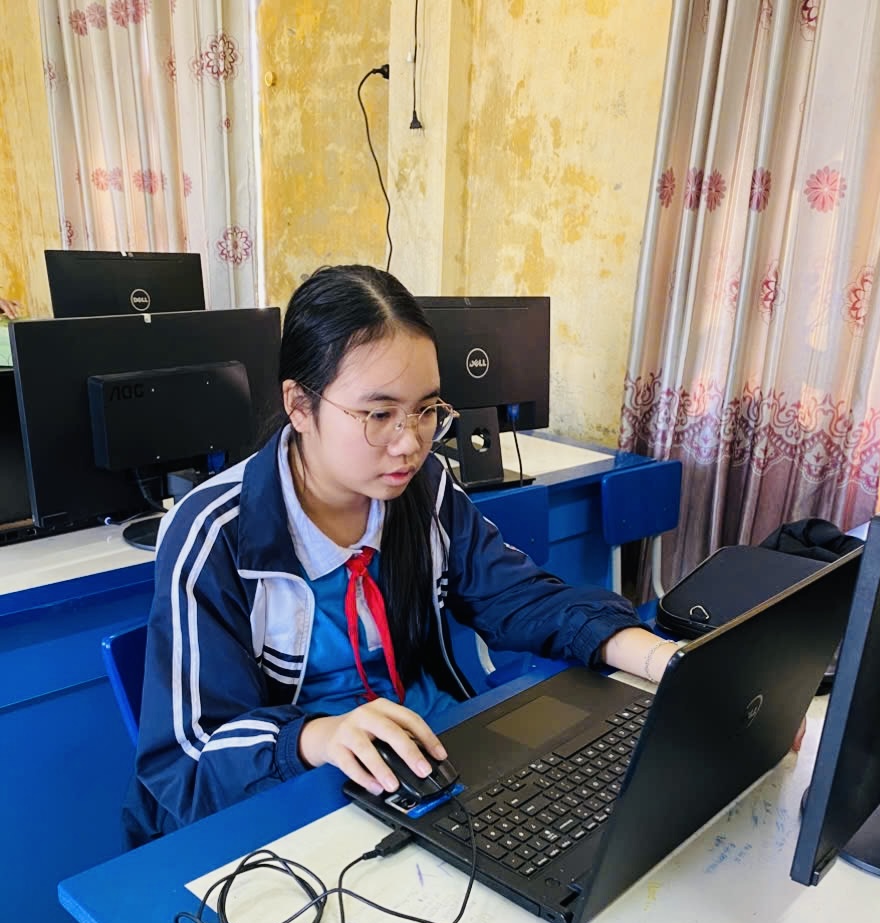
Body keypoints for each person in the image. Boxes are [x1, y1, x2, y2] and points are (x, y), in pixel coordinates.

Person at [122, 265, 682, 848]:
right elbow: (187, 762)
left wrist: (659, 660)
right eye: (379, 414)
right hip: (302, 791)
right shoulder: (215, 532)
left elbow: (518, 597)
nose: (410, 442)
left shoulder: (424, 489)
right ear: (299, 406)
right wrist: (316, 737)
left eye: (426, 409)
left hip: (433, 762)